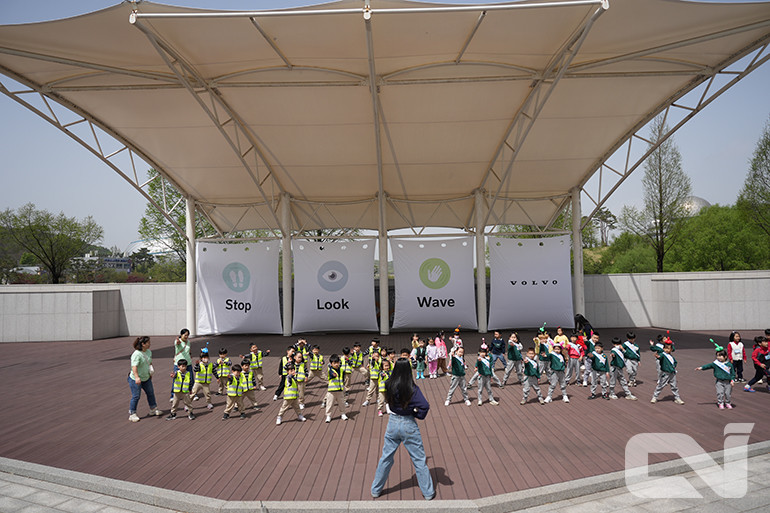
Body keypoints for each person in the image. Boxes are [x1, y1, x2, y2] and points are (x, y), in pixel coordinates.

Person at [371, 359, 435, 500]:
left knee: (386, 457)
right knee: (418, 460)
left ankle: (376, 489)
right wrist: (416, 414)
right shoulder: (411, 388)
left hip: (392, 423)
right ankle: (428, 493)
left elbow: (388, 401)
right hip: (408, 424)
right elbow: (424, 406)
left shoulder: (388, 384)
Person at [128, 336, 161, 422]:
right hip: (136, 379)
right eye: (148, 343)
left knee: (150, 393)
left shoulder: (149, 352)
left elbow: (149, 362)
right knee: (136, 396)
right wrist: (137, 377)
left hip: (146, 377)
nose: (150, 344)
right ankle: (132, 413)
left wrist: (150, 372)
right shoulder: (136, 354)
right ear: (143, 344)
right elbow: (134, 367)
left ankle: (153, 408)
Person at [651, 340, 685, 404]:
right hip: (665, 373)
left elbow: (675, 362)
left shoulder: (671, 357)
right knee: (661, 385)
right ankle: (655, 397)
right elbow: (660, 357)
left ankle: (677, 398)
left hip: (672, 373)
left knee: (674, 386)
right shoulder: (662, 355)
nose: (666, 350)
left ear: (671, 349)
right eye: (665, 348)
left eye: (668, 348)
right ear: (663, 348)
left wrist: (674, 366)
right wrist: (658, 357)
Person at [325, 355, 349, 423]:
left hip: (340, 390)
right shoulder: (330, 370)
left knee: (342, 403)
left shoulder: (341, 370)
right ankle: (328, 416)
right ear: (331, 363)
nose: (336, 364)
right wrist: (334, 374)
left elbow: (343, 378)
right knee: (330, 403)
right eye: (334, 363)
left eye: (337, 362)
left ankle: (343, 414)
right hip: (332, 390)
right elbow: (331, 373)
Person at [170, 328, 193, 400]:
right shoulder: (178, 341)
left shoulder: (188, 342)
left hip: (188, 363)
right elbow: (177, 343)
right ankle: (173, 395)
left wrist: (190, 355)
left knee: (190, 379)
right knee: (176, 379)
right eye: (185, 335)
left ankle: (191, 393)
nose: (186, 337)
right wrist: (177, 341)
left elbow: (189, 350)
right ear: (181, 335)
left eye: (187, 335)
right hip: (179, 363)